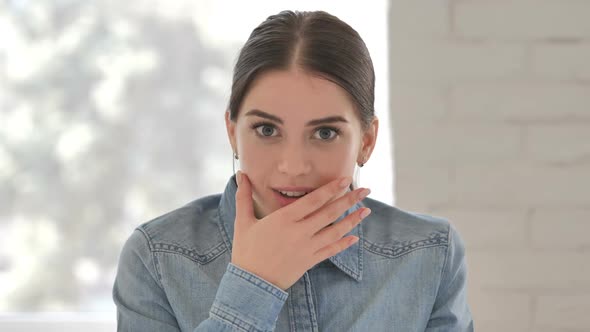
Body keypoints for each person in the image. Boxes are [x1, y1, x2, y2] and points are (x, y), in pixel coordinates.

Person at [113, 10, 474, 332]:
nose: (293, 166)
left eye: (325, 133)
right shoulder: (158, 258)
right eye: (267, 130)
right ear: (232, 132)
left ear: (366, 141)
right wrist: (253, 284)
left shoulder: (430, 255)